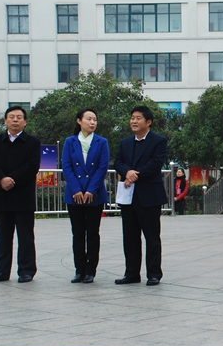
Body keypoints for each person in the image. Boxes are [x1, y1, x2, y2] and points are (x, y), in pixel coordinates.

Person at [0, 106, 41, 284]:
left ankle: (26, 271)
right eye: (11, 117)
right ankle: (1, 271)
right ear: (5, 121)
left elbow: (32, 166)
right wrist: (2, 178)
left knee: (25, 237)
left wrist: (12, 179)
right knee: (3, 237)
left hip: (23, 196)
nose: (15, 120)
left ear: (25, 122)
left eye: (19, 117)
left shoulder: (32, 143)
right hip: (1, 196)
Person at [113, 106, 168, 286]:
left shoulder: (158, 141)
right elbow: (118, 162)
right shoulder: (125, 142)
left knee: (152, 237)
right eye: (132, 118)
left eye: (138, 118)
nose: (134, 121)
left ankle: (154, 274)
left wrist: (135, 175)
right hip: (128, 196)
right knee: (130, 237)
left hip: (149, 196)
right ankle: (131, 274)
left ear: (148, 122)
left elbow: (156, 163)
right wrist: (127, 172)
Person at [62, 107, 110, 284]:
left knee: (92, 233)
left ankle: (90, 270)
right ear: (79, 121)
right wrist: (76, 190)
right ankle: (79, 270)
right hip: (74, 195)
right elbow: (66, 166)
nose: (92, 122)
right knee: (77, 233)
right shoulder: (70, 141)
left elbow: (102, 168)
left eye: (94, 119)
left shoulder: (101, 142)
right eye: (89, 119)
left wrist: (90, 190)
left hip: (94, 194)